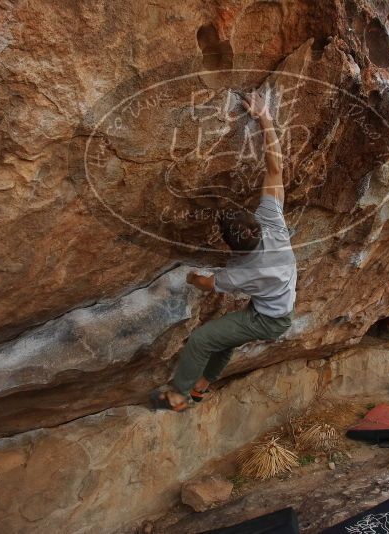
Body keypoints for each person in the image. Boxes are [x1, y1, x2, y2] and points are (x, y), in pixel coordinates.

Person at [151, 89, 297, 412]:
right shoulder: (272, 223)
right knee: (227, 334)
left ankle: (179, 395)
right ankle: (203, 385)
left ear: (234, 249)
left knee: (204, 339)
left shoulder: (243, 272)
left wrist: (188, 277)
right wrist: (265, 118)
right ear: (255, 224)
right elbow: (276, 168)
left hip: (269, 319)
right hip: (279, 304)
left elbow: (208, 284)